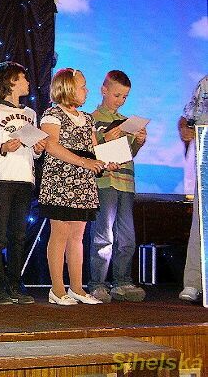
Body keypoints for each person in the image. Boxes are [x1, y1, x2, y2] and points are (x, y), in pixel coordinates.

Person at [38, 68, 117, 306]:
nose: (87, 91)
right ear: (68, 88)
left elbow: (94, 149)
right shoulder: (52, 114)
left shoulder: (87, 119)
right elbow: (51, 146)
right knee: (59, 234)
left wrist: (106, 162)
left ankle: (77, 288)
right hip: (61, 181)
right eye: (82, 86)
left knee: (77, 236)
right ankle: (57, 289)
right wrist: (84, 162)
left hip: (82, 183)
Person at [0, 62, 46, 305]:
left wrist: (38, 149)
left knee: (18, 236)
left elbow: (34, 151)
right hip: (1, 177)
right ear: (11, 81)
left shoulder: (30, 113)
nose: (28, 82)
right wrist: (3, 147)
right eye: (23, 78)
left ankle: (14, 283)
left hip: (24, 179)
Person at [88, 70, 147, 303]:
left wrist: (139, 141)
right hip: (104, 182)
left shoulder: (126, 121)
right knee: (103, 234)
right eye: (117, 95)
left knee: (127, 235)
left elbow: (129, 153)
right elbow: (89, 152)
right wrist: (106, 139)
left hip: (126, 182)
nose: (120, 100)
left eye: (124, 97)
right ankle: (98, 283)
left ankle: (122, 281)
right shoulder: (91, 119)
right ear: (104, 90)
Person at [177, 74, 208, 303]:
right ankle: (194, 282)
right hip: (206, 162)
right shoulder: (205, 84)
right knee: (201, 223)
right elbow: (187, 118)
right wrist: (185, 130)